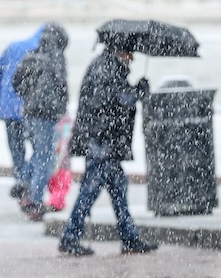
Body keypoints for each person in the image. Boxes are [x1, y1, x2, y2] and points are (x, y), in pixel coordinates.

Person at [57, 44, 159, 257]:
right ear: (119, 50)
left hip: (103, 142)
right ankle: (70, 236)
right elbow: (112, 103)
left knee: (118, 189)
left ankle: (129, 237)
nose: (132, 58)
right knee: (90, 190)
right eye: (130, 52)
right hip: (101, 144)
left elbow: (113, 99)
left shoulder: (107, 67)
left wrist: (134, 91)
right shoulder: (105, 68)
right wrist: (137, 92)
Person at [11, 23, 70, 221]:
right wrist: (60, 109)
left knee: (38, 154)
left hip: (29, 113)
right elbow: (62, 88)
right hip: (47, 115)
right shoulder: (56, 59)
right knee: (45, 158)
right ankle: (34, 201)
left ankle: (24, 184)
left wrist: (29, 97)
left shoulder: (32, 55)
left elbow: (16, 82)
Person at [0, 25, 46, 198]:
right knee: (41, 150)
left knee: (17, 151)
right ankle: (27, 183)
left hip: (9, 109)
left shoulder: (13, 47)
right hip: (31, 109)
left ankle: (21, 181)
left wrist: (1, 99)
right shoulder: (42, 51)